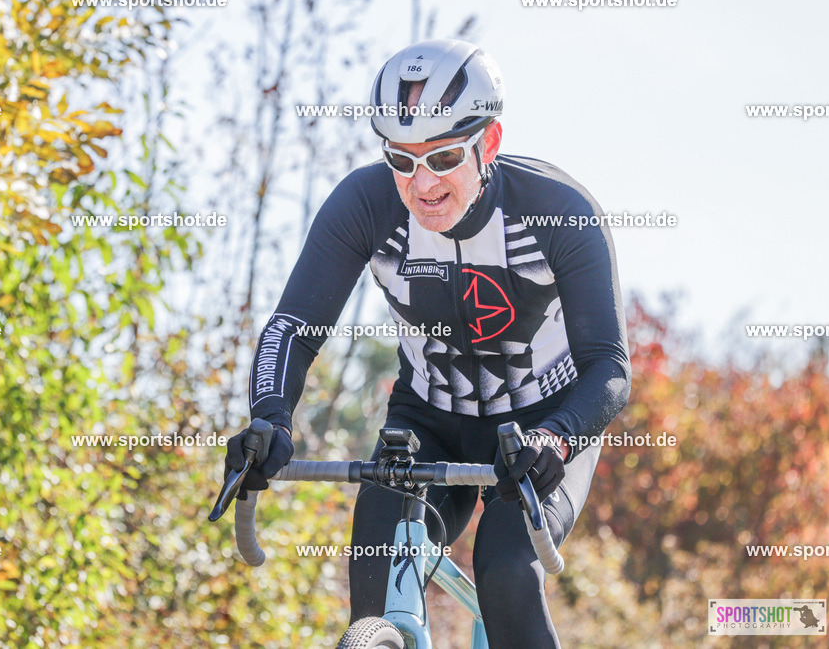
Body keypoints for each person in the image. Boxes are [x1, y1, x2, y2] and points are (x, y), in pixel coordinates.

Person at [225, 38, 631, 647]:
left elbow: (611, 368)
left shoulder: (558, 211)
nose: (421, 183)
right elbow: (293, 328)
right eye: (402, 159)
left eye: (443, 158)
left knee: (503, 573)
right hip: (428, 418)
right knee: (375, 579)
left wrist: (557, 436)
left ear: (488, 143)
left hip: (543, 425)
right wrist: (269, 420)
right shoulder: (364, 205)